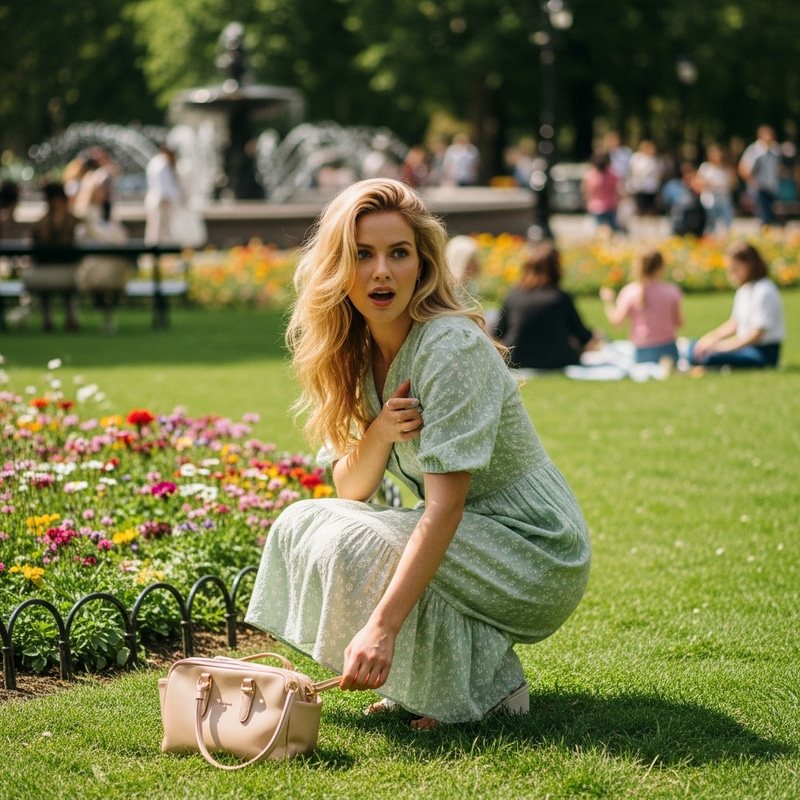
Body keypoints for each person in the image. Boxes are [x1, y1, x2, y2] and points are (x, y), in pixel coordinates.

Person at [244, 178, 591, 729]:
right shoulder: (357, 354)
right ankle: (424, 682)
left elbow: (443, 510)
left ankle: (488, 690)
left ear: (422, 265)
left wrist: (380, 629)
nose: (381, 271)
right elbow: (350, 489)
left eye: (398, 253)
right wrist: (379, 432)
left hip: (537, 550)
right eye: (362, 255)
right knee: (302, 520)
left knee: (360, 541)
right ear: (338, 267)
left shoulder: (448, 347)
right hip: (472, 538)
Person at [493, 241, 602, 370]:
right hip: (557, 360)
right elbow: (582, 335)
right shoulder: (559, 297)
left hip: (516, 358)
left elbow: (498, 333)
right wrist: (596, 336)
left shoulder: (513, 295)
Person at [688, 241, 785, 369]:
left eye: (735, 269)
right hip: (743, 346)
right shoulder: (744, 290)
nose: (731, 274)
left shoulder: (764, 291)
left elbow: (756, 335)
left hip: (761, 352)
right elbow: (734, 323)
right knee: (694, 348)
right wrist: (710, 339)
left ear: (750, 265)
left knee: (707, 356)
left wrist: (721, 347)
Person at [600, 249, 683, 365]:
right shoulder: (672, 291)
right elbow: (679, 323)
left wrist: (608, 302)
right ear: (661, 267)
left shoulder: (630, 292)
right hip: (669, 348)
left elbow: (616, 322)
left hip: (643, 350)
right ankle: (666, 365)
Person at [23, 182, 82, 331]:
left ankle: (61, 318)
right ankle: (61, 319)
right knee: (59, 281)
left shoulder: (43, 222)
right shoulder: (70, 221)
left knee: (64, 280)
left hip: (59, 270)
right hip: (53, 270)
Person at [738, 126, 781, 227]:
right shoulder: (754, 150)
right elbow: (743, 168)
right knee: (762, 216)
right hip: (760, 188)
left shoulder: (775, 151)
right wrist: (752, 181)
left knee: (770, 216)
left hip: (771, 187)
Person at [144, 145, 184, 245]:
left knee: (157, 231)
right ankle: (155, 257)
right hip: (162, 201)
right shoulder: (162, 164)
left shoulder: (156, 161)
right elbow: (165, 187)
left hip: (158, 200)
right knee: (158, 232)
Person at [697, 145, 736, 236]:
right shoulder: (705, 167)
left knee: (727, 219)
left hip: (724, 197)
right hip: (710, 198)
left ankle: (727, 237)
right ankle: (710, 237)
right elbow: (698, 182)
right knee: (711, 220)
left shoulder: (726, 168)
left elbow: (733, 184)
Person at [581, 151, 620, 233]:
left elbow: (585, 191)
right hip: (610, 206)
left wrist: (586, 202)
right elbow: (618, 191)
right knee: (612, 232)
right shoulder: (612, 175)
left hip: (595, 206)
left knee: (597, 232)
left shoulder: (589, 175)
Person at [626, 140, 663, 216]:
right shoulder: (637, 158)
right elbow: (633, 171)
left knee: (651, 209)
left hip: (652, 188)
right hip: (640, 187)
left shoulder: (655, 160)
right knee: (640, 208)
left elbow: (659, 173)